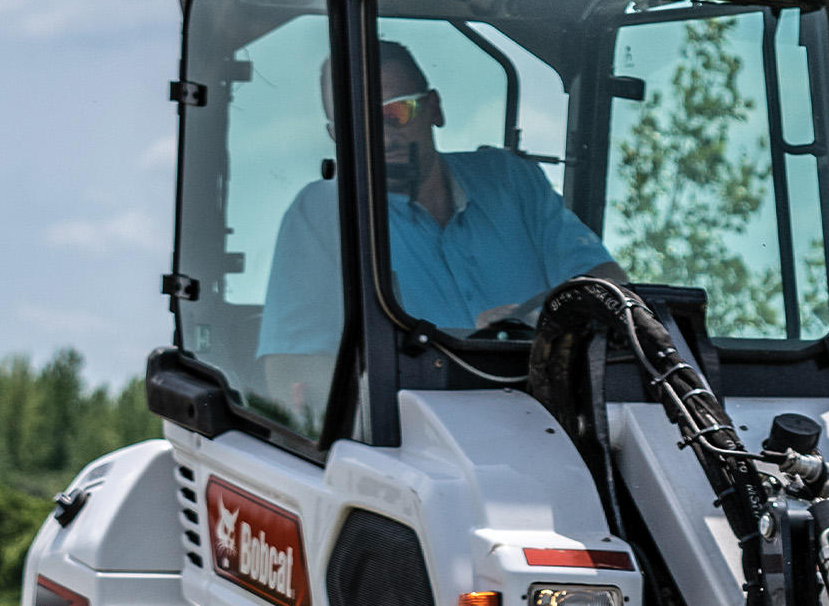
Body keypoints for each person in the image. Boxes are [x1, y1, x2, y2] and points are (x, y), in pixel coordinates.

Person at [258, 39, 623, 411]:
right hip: (413, 440)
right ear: (338, 138)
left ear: (433, 108)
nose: (384, 137)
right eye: (360, 123)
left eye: (397, 113)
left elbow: (610, 284)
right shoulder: (323, 213)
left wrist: (534, 323)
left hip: (556, 416)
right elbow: (292, 372)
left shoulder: (509, 180)